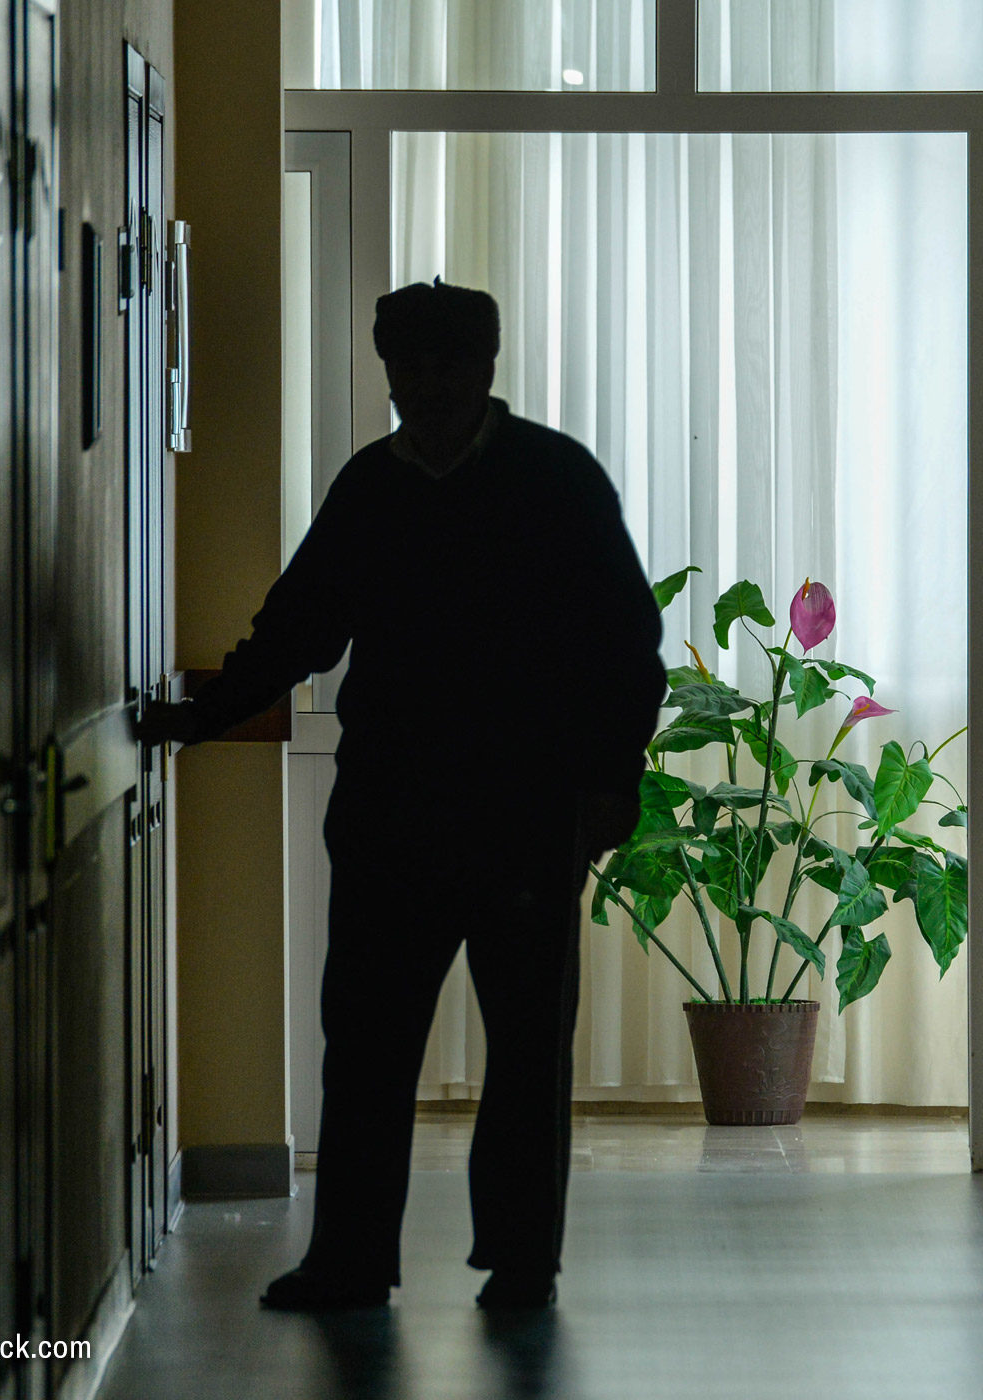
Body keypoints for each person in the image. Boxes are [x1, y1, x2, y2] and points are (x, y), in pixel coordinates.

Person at [135, 280, 665, 1312]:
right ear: (386, 371)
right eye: (407, 366)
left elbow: (625, 647)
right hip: (391, 817)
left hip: (525, 815)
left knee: (524, 1051)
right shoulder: (369, 489)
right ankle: (349, 1259)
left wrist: (613, 780)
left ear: (486, 366)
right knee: (367, 1045)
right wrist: (198, 718)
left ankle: (520, 1262)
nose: (426, 385)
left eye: (447, 363)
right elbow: (298, 628)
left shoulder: (556, 481)